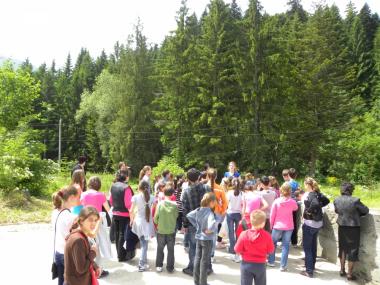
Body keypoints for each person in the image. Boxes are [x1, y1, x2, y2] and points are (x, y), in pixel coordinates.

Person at [334, 182, 369, 281]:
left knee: (343, 248)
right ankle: (349, 274)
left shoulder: (336, 200)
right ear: (351, 190)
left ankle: (341, 270)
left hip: (342, 226)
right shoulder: (355, 200)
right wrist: (356, 214)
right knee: (353, 250)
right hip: (353, 228)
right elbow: (366, 210)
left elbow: (337, 211)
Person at [181, 168, 211, 276]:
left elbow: (185, 210)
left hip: (193, 223)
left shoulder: (186, 192)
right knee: (206, 245)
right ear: (199, 177)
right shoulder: (207, 188)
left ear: (188, 179)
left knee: (193, 247)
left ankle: (193, 268)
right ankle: (207, 268)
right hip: (207, 222)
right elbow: (213, 205)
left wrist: (184, 225)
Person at [80, 176, 111, 278]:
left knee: (87, 245)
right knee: (97, 246)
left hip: (85, 222)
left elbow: (80, 208)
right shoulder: (101, 195)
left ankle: (89, 268)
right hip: (97, 222)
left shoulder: (83, 194)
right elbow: (108, 209)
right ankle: (98, 269)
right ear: (99, 185)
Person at [300, 177, 330, 278]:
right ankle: (311, 266)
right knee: (313, 246)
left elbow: (316, 203)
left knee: (307, 248)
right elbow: (327, 200)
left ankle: (309, 271)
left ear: (308, 185)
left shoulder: (311, 194)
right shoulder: (318, 193)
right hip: (317, 223)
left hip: (309, 223)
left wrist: (309, 210)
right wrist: (319, 207)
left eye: (305, 184)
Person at [234, 210, 275, 285]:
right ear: (263, 224)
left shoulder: (244, 234)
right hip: (261, 265)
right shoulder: (267, 235)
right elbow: (271, 250)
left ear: (250, 221)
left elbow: (237, 249)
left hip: (246, 264)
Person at [187, 192, 218, 285]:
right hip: (207, 239)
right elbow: (212, 224)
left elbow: (189, 215)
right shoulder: (210, 212)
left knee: (197, 258)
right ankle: (203, 282)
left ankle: (196, 281)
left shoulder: (198, 210)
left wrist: (197, 225)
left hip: (199, 237)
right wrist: (210, 230)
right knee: (204, 261)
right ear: (211, 202)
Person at [64, 206, 100, 285]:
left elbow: (83, 257)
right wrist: (93, 252)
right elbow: (81, 268)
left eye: (95, 220)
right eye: (90, 220)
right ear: (81, 221)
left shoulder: (79, 234)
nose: (94, 223)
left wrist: (95, 265)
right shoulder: (78, 240)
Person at [51, 186, 80, 285]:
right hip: (67, 254)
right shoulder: (70, 216)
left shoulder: (55, 212)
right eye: (77, 197)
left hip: (58, 252)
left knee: (61, 281)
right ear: (71, 197)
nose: (78, 200)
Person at [268, 182, 298, 271]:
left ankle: (271, 261)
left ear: (281, 190)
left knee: (273, 243)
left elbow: (272, 215)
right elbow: (296, 208)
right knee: (285, 245)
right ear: (290, 191)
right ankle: (283, 266)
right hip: (289, 226)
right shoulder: (292, 202)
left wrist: (271, 225)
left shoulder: (276, 201)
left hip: (277, 226)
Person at [109, 170, 135, 262]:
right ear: (126, 177)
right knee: (122, 234)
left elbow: (111, 201)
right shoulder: (126, 188)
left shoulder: (113, 186)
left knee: (117, 234)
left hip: (115, 213)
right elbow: (128, 204)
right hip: (125, 214)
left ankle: (118, 254)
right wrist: (132, 215)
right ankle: (121, 255)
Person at [130, 180, 155, 272]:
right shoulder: (152, 197)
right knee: (144, 244)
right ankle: (142, 263)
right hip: (148, 223)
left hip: (138, 222)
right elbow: (154, 209)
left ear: (139, 188)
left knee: (143, 243)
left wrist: (131, 220)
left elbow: (131, 210)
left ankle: (143, 261)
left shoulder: (135, 197)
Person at [154, 185, 179, 273]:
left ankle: (159, 265)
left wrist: (158, 224)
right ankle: (170, 267)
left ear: (163, 193)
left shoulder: (160, 204)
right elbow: (176, 216)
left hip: (161, 230)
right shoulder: (175, 205)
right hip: (171, 230)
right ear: (173, 194)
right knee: (171, 249)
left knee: (160, 248)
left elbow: (155, 218)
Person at [207, 168, 228, 254]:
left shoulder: (203, 186)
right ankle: (211, 255)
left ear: (207, 176)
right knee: (214, 233)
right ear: (216, 177)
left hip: (205, 212)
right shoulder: (220, 188)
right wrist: (222, 210)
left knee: (205, 233)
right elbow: (225, 201)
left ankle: (204, 253)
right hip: (217, 212)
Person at [226, 178, 243, 262]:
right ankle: (237, 250)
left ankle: (232, 249)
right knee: (237, 233)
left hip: (230, 213)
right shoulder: (242, 193)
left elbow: (226, 202)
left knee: (231, 232)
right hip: (238, 214)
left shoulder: (229, 193)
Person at [282, 168, 301, 246]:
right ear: (296, 175)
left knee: (285, 222)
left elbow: (282, 194)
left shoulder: (286, 184)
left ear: (288, 175)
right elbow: (299, 193)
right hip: (294, 204)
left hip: (286, 204)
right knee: (293, 223)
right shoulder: (297, 184)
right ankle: (294, 242)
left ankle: (285, 240)